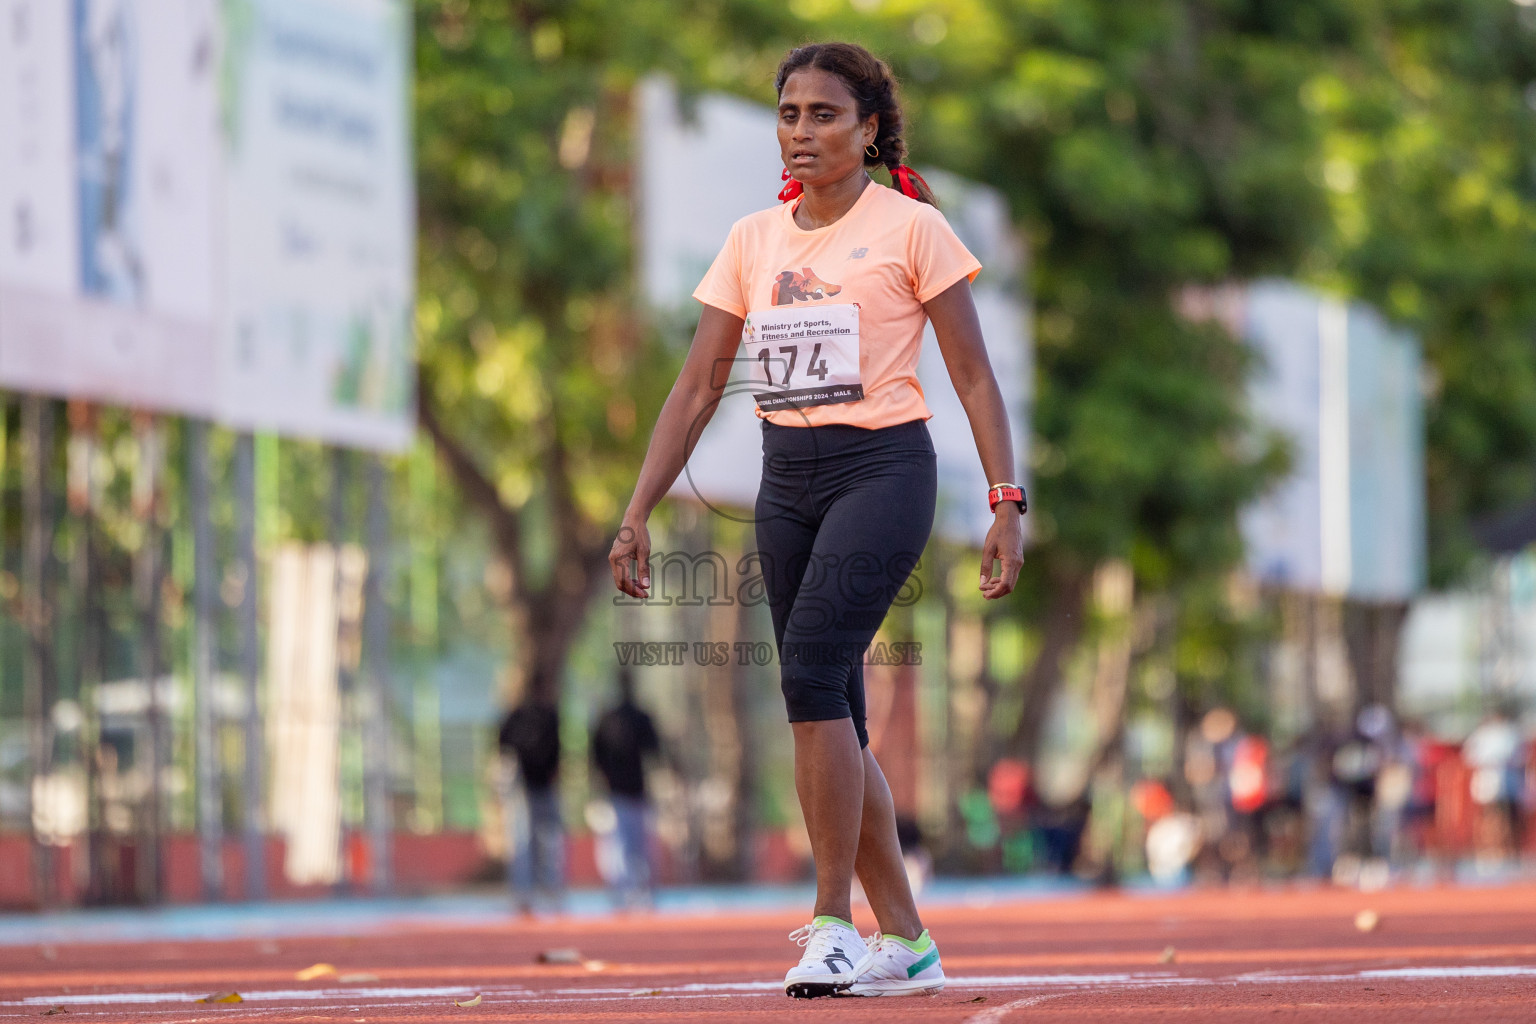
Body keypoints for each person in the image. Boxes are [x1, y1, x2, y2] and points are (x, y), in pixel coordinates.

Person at [608, 41, 1024, 998]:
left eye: (825, 114)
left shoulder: (913, 229)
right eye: (789, 114)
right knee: (837, 712)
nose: (802, 131)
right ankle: (910, 942)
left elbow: (971, 374)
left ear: (869, 130)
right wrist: (637, 509)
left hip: (881, 469)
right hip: (783, 484)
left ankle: (834, 922)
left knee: (805, 675)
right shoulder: (754, 240)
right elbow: (697, 386)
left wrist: (1007, 500)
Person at [590, 667, 662, 907]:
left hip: (628, 791)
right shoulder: (617, 718)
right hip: (624, 792)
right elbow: (596, 755)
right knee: (627, 845)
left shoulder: (619, 718)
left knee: (628, 845)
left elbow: (654, 751)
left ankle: (632, 893)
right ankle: (630, 893)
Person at [497, 680, 565, 913]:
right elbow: (503, 750)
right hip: (522, 789)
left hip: (545, 787)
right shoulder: (514, 717)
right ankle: (524, 895)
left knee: (550, 842)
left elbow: (558, 751)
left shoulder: (549, 716)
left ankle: (551, 891)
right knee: (523, 842)